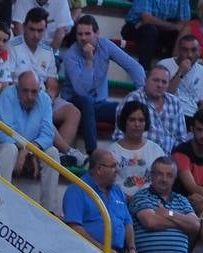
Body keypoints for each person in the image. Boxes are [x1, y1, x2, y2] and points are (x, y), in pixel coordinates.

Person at [60, 15, 145, 155]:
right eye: (80, 34)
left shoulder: (104, 44)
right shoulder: (70, 56)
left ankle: (128, 153)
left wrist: (141, 93)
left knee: (129, 110)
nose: (83, 38)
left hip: (99, 104)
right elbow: (82, 91)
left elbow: (135, 67)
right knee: (86, 101)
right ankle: (92, 153)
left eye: (88, 34)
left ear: (97, 34)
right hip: (74, 104)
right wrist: (89, 61)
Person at [0, 70, 63, 209]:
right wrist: (26, 149)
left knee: (52, 153)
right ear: (17, 87)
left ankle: (49, 211)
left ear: (39, 90)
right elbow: (4, 135)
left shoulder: (45, 99)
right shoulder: (7, 96)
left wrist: (28, 150)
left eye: (34, 92)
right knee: (9, 150)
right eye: (25, 91)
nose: (30, 96)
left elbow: (48, 134)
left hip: (26, 149)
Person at [9, 9, 80, 154]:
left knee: (73, 112)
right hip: (21, 99)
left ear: (45, 30)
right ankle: (68, 152)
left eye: (40, 31)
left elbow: (53, 83)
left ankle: (59, 156)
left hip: (43, 97)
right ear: (24, 26)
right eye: (32, 30)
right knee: (41, 111)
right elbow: (8, 82)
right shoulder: (12, 47)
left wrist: (49, 98)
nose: (36, 35)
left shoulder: (48, 51)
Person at [113, 64, 185, 154]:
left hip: (168, 161)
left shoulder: (175, 103)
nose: (159, 85)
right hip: (138, 158)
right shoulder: (133, 99)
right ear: (145, 80)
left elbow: (181, 139)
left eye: (164, 82)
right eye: (155, 80)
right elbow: (119, 135)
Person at [109, 100, 165, 199]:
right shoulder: (112, 152)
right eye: (132, 120)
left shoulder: (156, 150)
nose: (137, 124)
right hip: (119, 203)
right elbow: (107, 185)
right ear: (124, 122)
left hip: (151, 204)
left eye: (141, 120)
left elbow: (164, 183)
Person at [157, 33, 203, 121]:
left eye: (193, 50)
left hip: (192, 118)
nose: (189, 55)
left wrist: (199, 122)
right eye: (185, 50)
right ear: (179, 50)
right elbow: (163, 96)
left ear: (199, 51)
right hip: (168, 112)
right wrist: (180, 73)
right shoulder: (164, 65)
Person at [122, 0, 188, 69]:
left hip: (163, 30)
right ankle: (143, 71)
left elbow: (184, 23)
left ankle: (173, 71)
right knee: (150, 30)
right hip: (135, 26)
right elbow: (146, 19)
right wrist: (174, 26)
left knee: (182, 34)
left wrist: (172, 26)